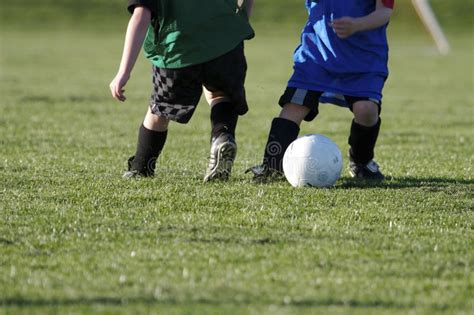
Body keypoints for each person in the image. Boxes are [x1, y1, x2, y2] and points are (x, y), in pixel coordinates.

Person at [247, 0, 394, 181]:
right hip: (317, 54)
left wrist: (357, 24)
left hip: (364, 58)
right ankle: (271, 165)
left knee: (366, 110)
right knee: (295, 105)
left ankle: (361, 161)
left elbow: (384, 12)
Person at [109, 0, 254, 181]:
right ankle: (222, 137)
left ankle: (141, 167)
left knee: (160, 110)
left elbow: (141, 15)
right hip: (226, 41)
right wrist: (243, 17)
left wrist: (124, 71)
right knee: (221, 94)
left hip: (178, 48)